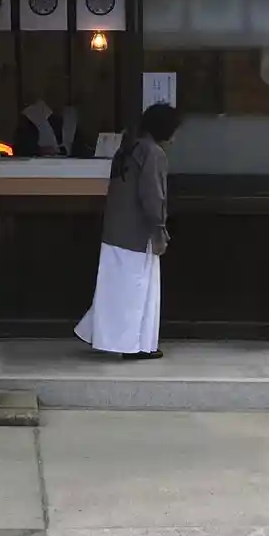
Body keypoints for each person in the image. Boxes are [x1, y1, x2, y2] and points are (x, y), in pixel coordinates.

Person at [74, 103, 181, 360]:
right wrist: (159, 228)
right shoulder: (153, 153)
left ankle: (112, 337)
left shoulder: (127, 148)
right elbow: (153, 195)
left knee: (115, 289)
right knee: (137, 291)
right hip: (138, 233)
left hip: (115, 228)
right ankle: (133, 346)